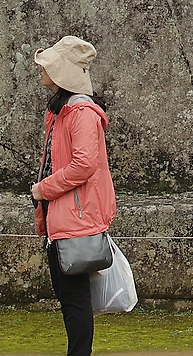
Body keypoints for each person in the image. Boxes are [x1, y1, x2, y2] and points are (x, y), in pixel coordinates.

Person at [31, 36, 116, 356]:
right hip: (62, 213)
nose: (42, 70)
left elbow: (84, 165)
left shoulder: (80, 112)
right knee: (70, 296)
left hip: (75, 214)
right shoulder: (62, 110)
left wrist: (43, 189)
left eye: (49, 65)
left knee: (75, 297)